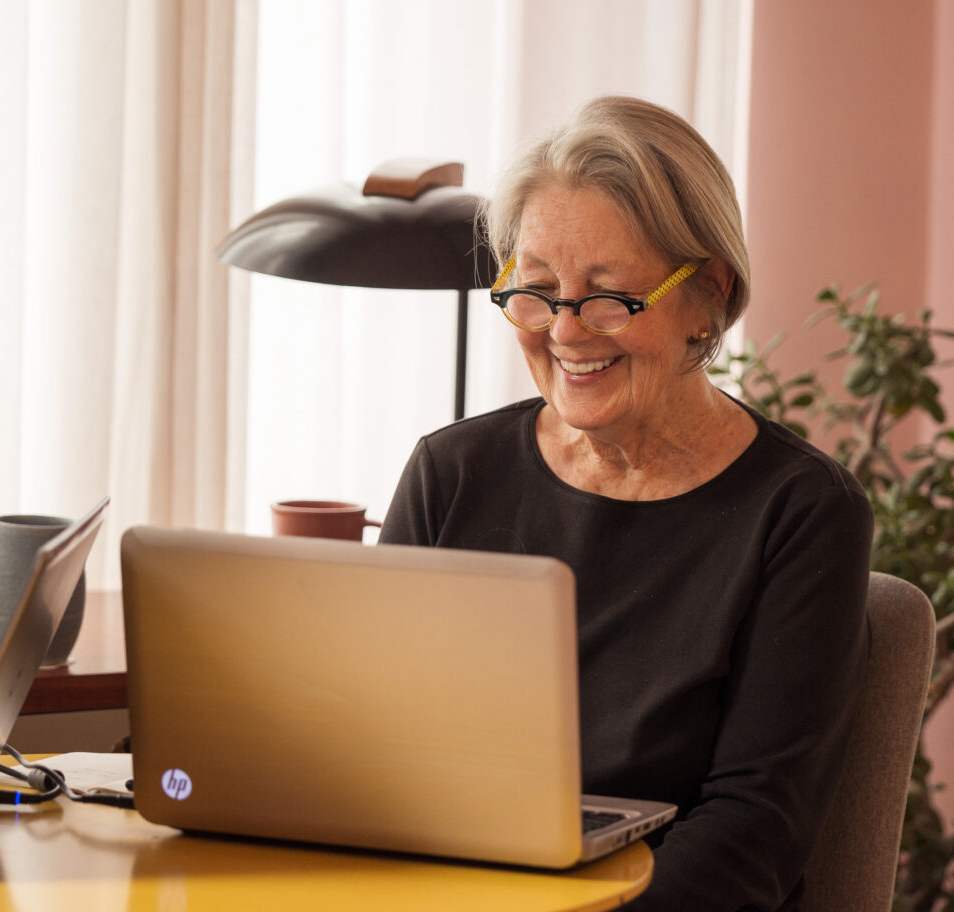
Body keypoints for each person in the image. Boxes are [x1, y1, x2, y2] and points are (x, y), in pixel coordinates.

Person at [379, 95, 873, 912]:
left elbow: (752, 835)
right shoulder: (450, 473)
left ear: (708, 297)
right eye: (535, 290)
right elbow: (370, 751)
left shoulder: (802, 512)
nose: (566, 332)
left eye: (610, 296)